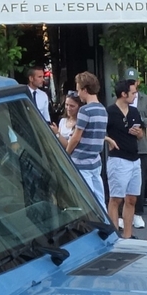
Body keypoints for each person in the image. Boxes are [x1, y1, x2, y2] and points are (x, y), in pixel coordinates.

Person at [104, 78, 145, 237]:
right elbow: (99, 132)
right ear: (123, 94)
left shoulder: (134, 112)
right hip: (118, 159)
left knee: (132, 199)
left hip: (135, 159)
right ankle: (115, 235)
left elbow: (141, 135)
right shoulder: (110, 112)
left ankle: (128, 235)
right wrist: (108, 140)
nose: (136, 95)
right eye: (133, 92)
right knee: (116, 199)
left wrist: (139, 133)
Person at [61, 73, 109, 208]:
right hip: (95, 161)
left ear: (85, 90)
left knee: (86, 201)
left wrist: (66, 154)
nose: (78, 93)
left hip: (81, 161)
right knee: (99, 200)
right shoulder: (102, 109)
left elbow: (76, 137)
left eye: (78, 89)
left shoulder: (85, 110)